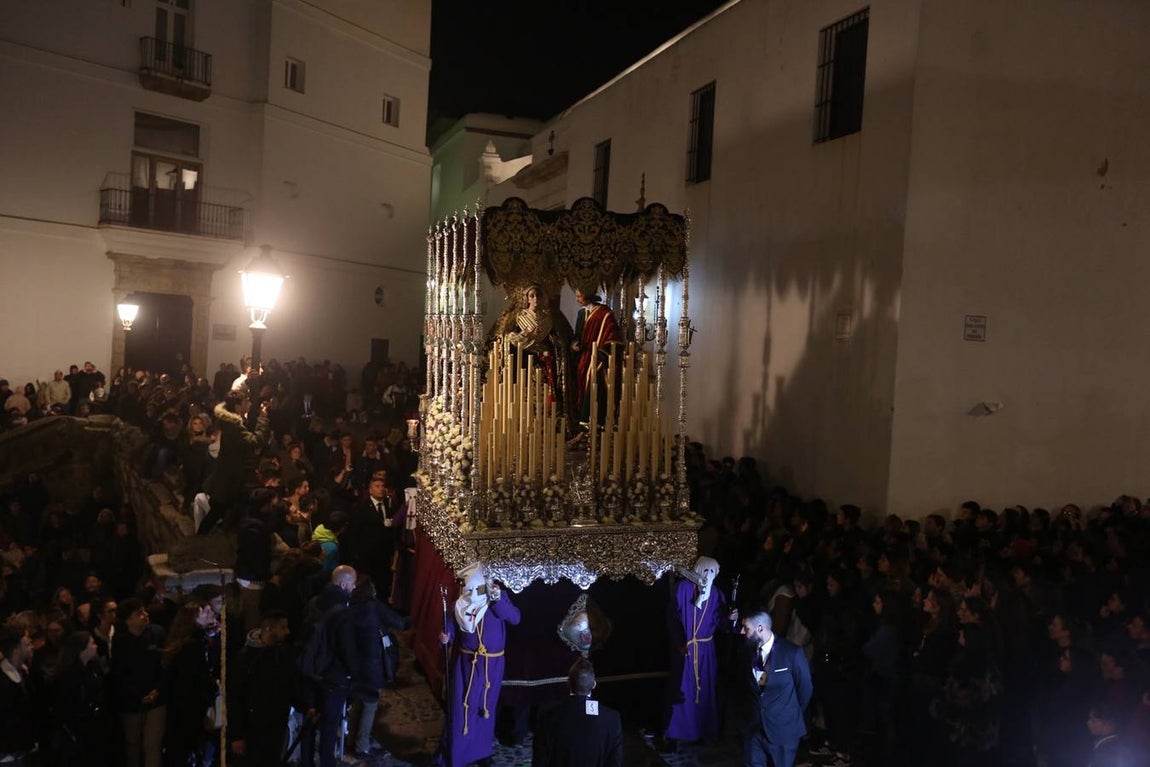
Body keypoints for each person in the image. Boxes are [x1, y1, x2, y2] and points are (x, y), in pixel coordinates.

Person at [437, 562, 521, 767]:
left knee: (486, 708)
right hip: (468, 663)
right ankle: (457, 754)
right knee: (462, 707)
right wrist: (445, 636)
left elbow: (515, 618)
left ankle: (481, 752)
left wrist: (498, 601)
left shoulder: (497, 598)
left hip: (492, 665)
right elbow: (451, 625)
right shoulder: (461, 603)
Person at [735, 607, 813, 767]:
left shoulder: (792, 653)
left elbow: (805, 689)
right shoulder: (746, 652)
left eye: (746, 628)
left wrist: (787, 714)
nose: (742, 632)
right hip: (754, 730)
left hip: (782, 732)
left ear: (760, 628)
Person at [664, 556, 726, 747]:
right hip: (687, 650)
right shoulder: (683, 589)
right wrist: (678, 643)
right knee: (683, 691)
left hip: (706, 651)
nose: (708, 576)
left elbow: (722, 624)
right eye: (705, 571)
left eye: (712, 572)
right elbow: (672, 619)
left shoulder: (717, 594)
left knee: (705, 692)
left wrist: (731, 618)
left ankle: (704, 731)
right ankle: (680, 733)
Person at [228, 610, 299, 767]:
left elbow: (290, 685)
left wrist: (306, 705)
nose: (287, 632)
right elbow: (235, 697)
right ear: (269, 629)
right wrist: (236, 735)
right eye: (283, 627)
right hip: (252, 729)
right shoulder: (245, 660)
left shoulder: (284, 654)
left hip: (276, 726)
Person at [532, 658, 623, 767]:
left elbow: (540, 760)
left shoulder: (547, 715)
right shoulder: (612, 718)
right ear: (594, 684)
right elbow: (614, 762)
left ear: (568, 684)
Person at [570, 286, 621, 429]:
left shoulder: (604, 313)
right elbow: (577, 336)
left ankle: (594, 424)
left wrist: (601, 355)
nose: (577, 299)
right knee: (580, 388)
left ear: (587, 295)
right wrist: (574, 345)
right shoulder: (581, 314)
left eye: (579, 296)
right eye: (576, 296)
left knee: (595, 388)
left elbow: (614, 337)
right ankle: (582, 425)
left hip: (598, 360)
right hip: (584, 358)